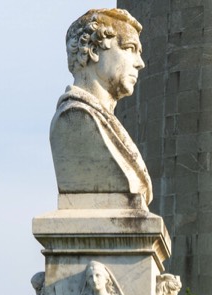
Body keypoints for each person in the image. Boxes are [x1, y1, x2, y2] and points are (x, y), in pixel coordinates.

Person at [51, 8, 152, 202]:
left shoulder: (104, 120)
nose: (140, 63)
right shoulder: (76, 118)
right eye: (130, 49)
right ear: (94, 50)